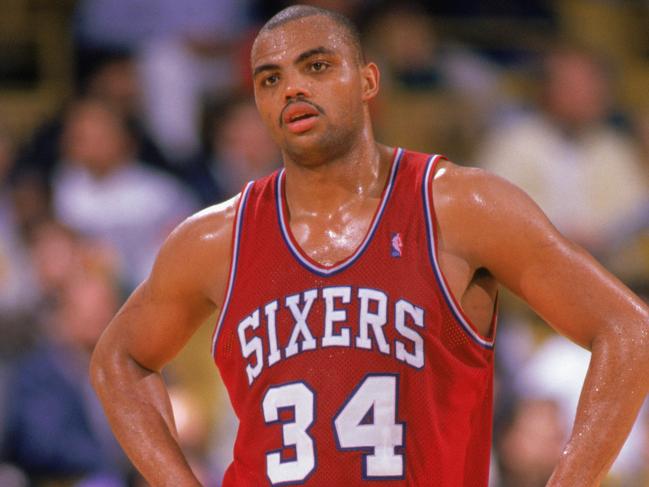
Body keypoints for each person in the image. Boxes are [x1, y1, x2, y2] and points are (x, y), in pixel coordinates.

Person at [90, 5, 649, 486]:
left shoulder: (459, 207)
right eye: (269, 79)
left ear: (368, 81)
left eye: (316, 66)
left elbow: (628, 330)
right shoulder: (217, 238)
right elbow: (119, 357)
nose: (292, 89)